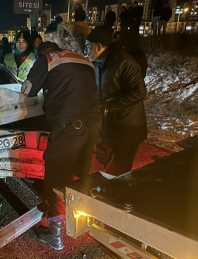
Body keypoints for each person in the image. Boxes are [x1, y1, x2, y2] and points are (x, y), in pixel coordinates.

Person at [21, 22, 99, 250]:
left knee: (55, 181)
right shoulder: (85, 61)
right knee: (78, 178)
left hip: (68, 131)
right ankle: (79, 223)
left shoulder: (48, 59)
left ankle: (55, 236)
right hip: (92, 127)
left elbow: (27, 91)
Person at [85, 27, 147, 177]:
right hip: (112, 126)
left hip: (127, 128)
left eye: (88, 46)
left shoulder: (124, 62)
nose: (86, 50)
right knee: (110, 165)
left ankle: (118, 197)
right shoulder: (99, 63)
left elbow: (139, 92)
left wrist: (108, 104)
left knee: (118, 171)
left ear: (99, 46)